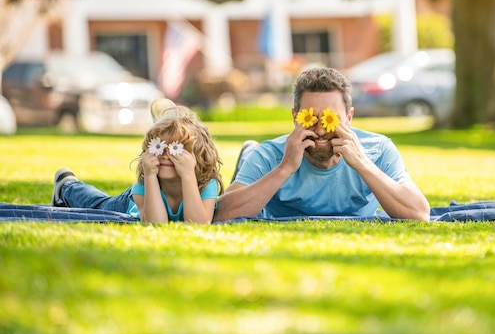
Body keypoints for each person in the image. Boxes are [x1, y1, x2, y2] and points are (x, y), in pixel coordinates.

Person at [214, 67, 430, 222]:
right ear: (295, 117)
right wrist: (284, 168)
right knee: (253, 160)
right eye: (310, 118)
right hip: (268, 162)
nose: (319, 130)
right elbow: (220, 215)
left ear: (349, 118)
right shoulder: (269, 155)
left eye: (330, 119)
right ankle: (247, 152)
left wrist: (363, 164)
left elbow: (420, 214)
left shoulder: (378, 149)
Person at [52, 102, 224, 224]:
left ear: (196, 155)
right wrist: (149, 175)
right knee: (98, 205)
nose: (165, 155)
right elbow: (156, 224)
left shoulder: (205, 183)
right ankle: (67, 186)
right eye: (160, 146)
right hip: (128, 203)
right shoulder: (146, 181)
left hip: (190, 177)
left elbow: (198, 225)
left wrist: (187, 174)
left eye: (176, 148)